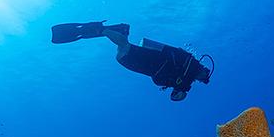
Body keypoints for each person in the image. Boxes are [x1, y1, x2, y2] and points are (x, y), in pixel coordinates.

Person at [51, 21, 212, 101]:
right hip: (148, 62)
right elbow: (176, 95)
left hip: (147, 63)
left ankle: (106, 30)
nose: (203, 73)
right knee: (124, 46)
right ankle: (107, 30)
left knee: (124, 47)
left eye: (204, 74)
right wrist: (183, 88)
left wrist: (183, 91)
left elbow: (174, 97)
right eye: (205, 72)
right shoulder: (187, 71)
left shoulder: (185, 80)